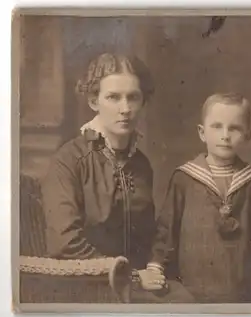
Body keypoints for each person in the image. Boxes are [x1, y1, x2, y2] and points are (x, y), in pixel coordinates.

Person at [41, 53, 194, 303]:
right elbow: (64, 244)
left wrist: (153, 268)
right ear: (94, 101)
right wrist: (132, 276)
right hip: (85, 286)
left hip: (137, 284)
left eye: (133, 97)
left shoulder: (141, 164)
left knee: (191, 301)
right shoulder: (68, 161)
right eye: (113, 97)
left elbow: (145, 237)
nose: (125, 109)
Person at [149, 93, 251, 303]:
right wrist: (156, 267)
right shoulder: (184, 178)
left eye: (234, 128)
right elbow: (166, 229)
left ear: (247, 135)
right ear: (202, 132)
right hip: (189, 291)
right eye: (217, 127)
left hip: (238, 289)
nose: (225, 135)